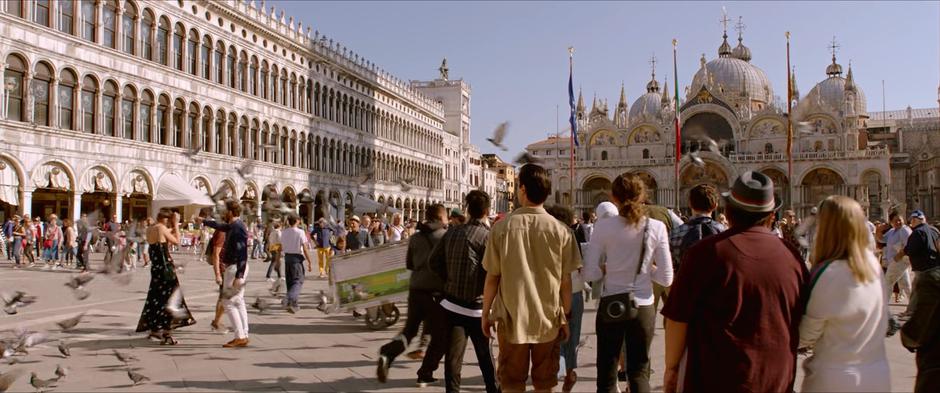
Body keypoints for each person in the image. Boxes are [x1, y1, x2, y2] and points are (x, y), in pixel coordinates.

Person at [662, 171, 808, 393]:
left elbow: (677, 320)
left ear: (728, 212)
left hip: (715, 379)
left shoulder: (705, 253)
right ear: (771, 216)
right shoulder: (792, 256)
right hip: (776, 378)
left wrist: (671, 369)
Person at [481, 164, 581, 393]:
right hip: (547, 320)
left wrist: (485, 313)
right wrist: (565, 315)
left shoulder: (501, 228)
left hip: (512, 319)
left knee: (512, 383)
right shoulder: (562, 231)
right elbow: (566, 282)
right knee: (544, 384)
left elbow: (492, 278)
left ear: (522, 189)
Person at [583, 173, 672, 393]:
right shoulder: (657, 227)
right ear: (642, 196)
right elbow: (666, 277)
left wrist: (607, 269)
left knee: (606, 374)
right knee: (639, 373)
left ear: (614, 197)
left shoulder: (603, 227)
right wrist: (646, 269)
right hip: (643, 307)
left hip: (611, 305)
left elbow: (589, 274)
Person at [798, 195, 890, 392]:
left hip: (834, 378)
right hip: (877, 374)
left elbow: (807, 334)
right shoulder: (872, 264)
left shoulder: (829, 273)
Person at [430, 191, 499, 392]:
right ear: (486, 211)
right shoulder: (488, 237)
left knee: (453, 359)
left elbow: (433, 262)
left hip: (451, 305)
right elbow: (493, 272)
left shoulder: (452, 232)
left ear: (468, 209)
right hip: (477, 308)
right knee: (485, 357)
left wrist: (449, 280)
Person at [377, 204, 449, 386]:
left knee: (409, 331)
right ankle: (425, 374)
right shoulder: (445, 237)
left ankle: (388, 352)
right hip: (435, 292)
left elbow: (409, 263)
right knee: (440, 337)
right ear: (441, 218)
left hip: (415, 289)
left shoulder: (416, 237)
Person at [135, 210, 195, 345]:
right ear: (166, 219)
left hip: (156, 268)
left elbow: (163, 235)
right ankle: (167, 333)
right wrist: (177, 225)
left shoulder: (151, 229)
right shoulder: (162, 228)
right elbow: (176, 241)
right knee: (171, 298)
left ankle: (155, 329)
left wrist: (173, 227)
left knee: (155, 298)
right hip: (165, 268)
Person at [544, 205, 586, 392]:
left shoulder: (545, 233)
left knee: (553, 337)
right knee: (572, 336)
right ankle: (569, 372)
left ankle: (554, 374)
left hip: (551, 293)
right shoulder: (569, 233)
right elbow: (576, 268)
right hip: (574, 291)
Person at [202, 200, 251, 348]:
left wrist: (239, 275)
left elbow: (243, 252)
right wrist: (205, 222)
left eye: (225, 210)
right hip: (236, 267)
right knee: (238, 301)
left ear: (230, 211)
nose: (223, 213)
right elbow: (221, 226)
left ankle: (239, 336)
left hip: (235, 268)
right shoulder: (235, 225)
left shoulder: (238, 228)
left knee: (228, 302)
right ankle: (244, 334)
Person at [901, 210, 940, 392]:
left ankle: (910, 307)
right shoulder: (932, 230)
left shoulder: (933, 283)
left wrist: (906, 336)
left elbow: (914, 334)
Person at [669, 184, 725, 273]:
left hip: (686, 284)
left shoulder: (675, 233)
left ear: (690, 204)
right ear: (715, 205)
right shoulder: (724, 232)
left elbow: (670, 267)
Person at [280, 215, 314, 313]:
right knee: (298, 281)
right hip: (296, 259)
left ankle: (293, 304)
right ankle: (288, 298)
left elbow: (281, 246)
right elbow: (305, 247)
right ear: (297, 221)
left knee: (290, 282)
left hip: (287, 258)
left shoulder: (284, 232)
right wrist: (309, 261)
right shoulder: (300, 232)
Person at [881, 211, 913, 305]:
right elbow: (882, 239)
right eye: (895, 221)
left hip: (900, 261)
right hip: (898, 261)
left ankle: (883, 308)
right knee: (906, 285)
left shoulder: (904, 230)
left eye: (899, 220)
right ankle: (914, 307)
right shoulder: (893, 231)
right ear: (891, 223)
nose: (898, 222)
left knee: (888, 282)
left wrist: (897, 257)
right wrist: (878, 230)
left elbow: (908, 246)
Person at [208, 220, 227, 332]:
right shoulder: (221, 232)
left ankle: (217, 321)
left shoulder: (225, 230)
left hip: (227, 267)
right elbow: (216, 254)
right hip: (223, 268)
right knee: (226, 297)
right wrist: (218, 274)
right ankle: (216, 322)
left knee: (225, 297)